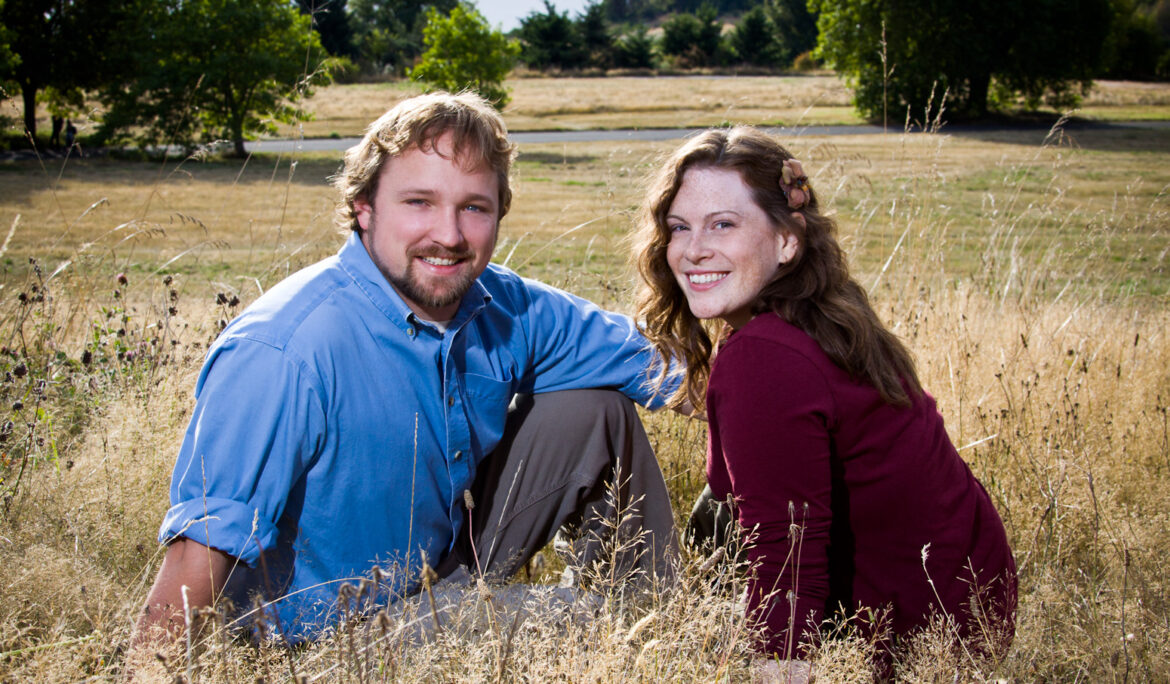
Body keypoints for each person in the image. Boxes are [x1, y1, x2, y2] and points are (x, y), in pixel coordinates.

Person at [133, 92, 679, 647]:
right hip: (333, 638)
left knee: (595, 410)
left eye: (474, 207)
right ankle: (640, 634)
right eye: (419, 202)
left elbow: (661, 365)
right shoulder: (284, 350)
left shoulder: (502, 305)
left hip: (441, 566)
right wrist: (155, 665)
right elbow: (202, 549)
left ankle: (657, 611)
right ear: (364, 207)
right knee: (585, 620)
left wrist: (740, 352)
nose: (449, 235)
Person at [633, 127, 1016, 678]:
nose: (694, 250)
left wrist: (778, 665)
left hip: (912, 643)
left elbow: (787, 553)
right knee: (711, 515)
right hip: (969, 608)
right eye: (679, 227)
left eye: (723, 224)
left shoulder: (763, 357)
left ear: (787, 241)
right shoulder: (824, 318)